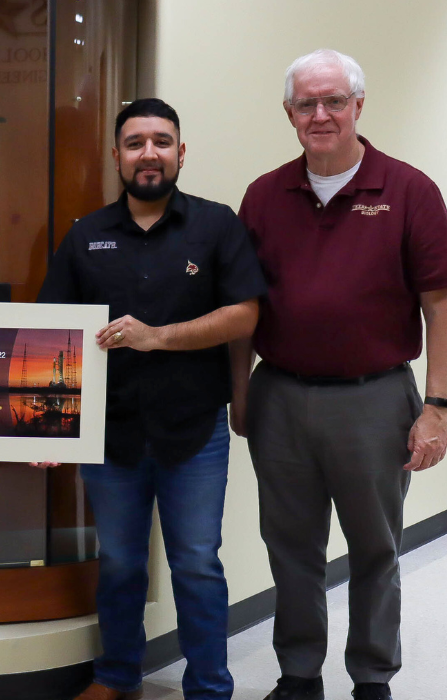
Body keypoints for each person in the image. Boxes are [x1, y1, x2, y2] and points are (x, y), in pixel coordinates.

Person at [231, 49, 447, 700]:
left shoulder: (409, 190)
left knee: (375, 549)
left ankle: (371, 679)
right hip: (281, 397)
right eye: (307, 104)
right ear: (289, 113)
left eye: (334, 100)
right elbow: (244, 311)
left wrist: (437, 407)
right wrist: (241, 393)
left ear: (360, 104)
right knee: (291, 549)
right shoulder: (265, 195)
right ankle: (298, 676)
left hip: (375, 399)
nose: (321, 114)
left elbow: (441, 307)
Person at [37, 98, 267, 700]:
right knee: (118, 565)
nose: (149, 154)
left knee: (196, 564)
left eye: (161, 142)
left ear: (181, 153)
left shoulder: (217, 226)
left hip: (194, 432)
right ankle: (116, 677)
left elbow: (245, 314)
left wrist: (157, 338)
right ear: (116, 156)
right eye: (135, 143)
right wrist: (41, 428)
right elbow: (48, 332)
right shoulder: (85, 236)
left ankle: (210, 688)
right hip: (108, 436)